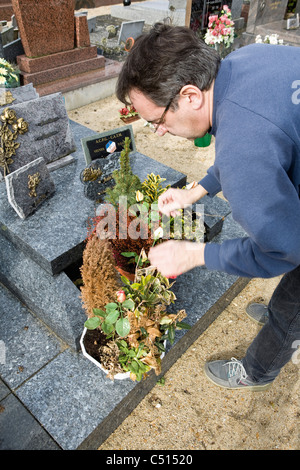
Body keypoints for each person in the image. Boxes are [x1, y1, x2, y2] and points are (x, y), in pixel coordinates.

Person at [116, 23, 300, 391]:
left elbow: (283, 250)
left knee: (293, 301)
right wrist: (195, 192)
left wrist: (196, 255)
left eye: (157, 120)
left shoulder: (242, 152)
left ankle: (259, 368)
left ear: (189, 96)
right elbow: (260, 134)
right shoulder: (243, 61)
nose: (160, 132)